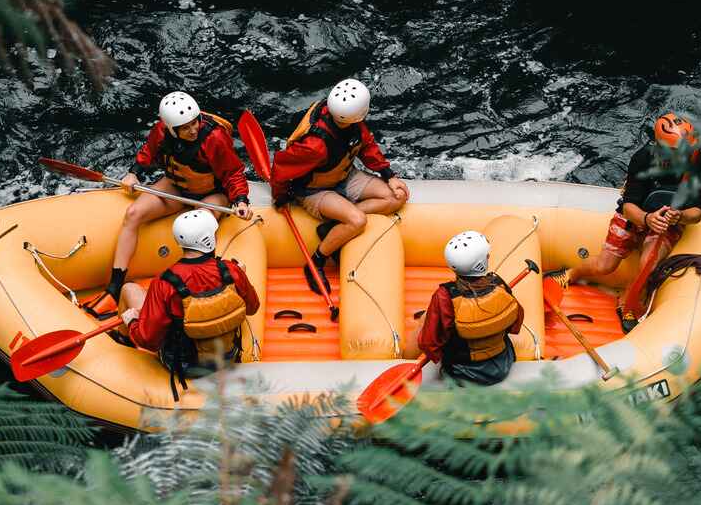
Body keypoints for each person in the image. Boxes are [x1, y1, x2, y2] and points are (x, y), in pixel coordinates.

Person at [560, 112, 701, 322]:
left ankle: (627, 300)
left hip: (670, 221)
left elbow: (697, 213)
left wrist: (680, 216)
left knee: (650, 263)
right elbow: (629, 206)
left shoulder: (699, 163)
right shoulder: (643, 158)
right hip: (638, 214)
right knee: (605, 265)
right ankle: (571, 274)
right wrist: (648, 219)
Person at [106, 90, 250, 303]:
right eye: (185, 127)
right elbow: (149, 152)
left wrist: (240, 200)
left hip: (212, 194)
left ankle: (205, 286)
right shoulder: (161, 131)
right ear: (172, 129)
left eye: (195, 123)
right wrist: (133, 172)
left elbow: (233, 173)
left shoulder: (214, 137)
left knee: (199, 227)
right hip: (178, 187)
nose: (193, 130)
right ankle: (114, 287)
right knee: (133, 213)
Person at [268, 78, 409, 291]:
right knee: (357, 220)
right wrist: (280, 196)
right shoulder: (315, 146)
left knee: (396, 197)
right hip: (314, 191)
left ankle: (332, 228)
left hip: (344, 176)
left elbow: (366, 145)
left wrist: (388, 175)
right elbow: (281, 167)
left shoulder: (352, 123)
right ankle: (316, 260)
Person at [119, 209, 261, 398]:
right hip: (227, 357)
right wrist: (241, 275)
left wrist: (132, 322)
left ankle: (122, 342)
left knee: (129, 289)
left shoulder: (164, 282)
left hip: (184, 366)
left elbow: (149, 341)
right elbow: (252, 308)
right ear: (209, 239)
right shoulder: (231, 270)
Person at [416, 231, 522, 386]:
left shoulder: (444, 296)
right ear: (483, 262)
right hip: (503, 364)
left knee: (424, 319)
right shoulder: (499, 284)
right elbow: (515, 324)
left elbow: (428, 343)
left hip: (462, 372)